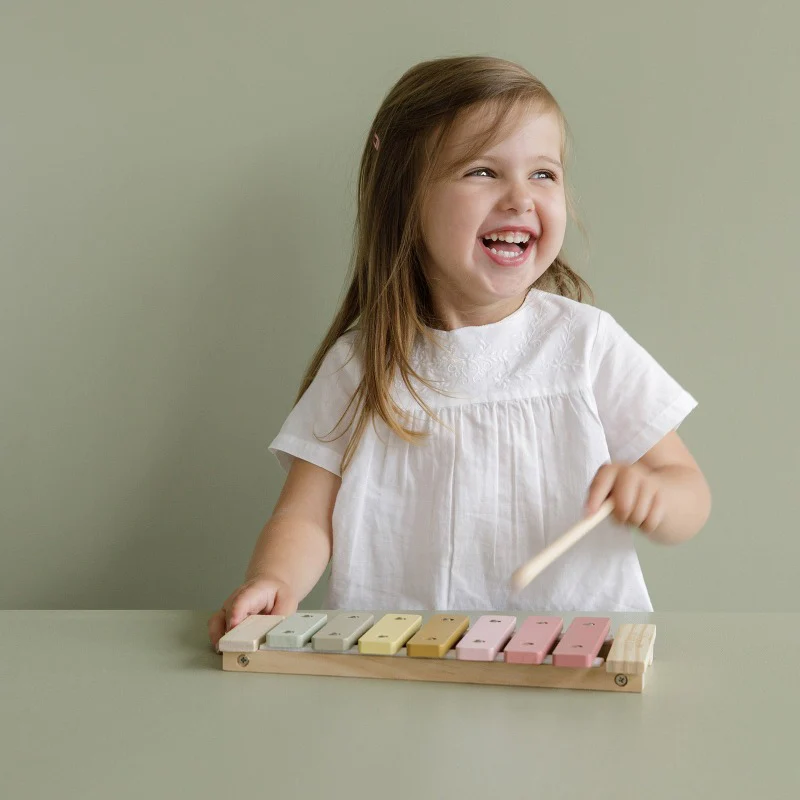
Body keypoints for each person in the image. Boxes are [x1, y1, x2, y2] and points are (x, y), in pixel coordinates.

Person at [208, 55, 711, 651]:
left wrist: (658, 497)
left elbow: (689, 491)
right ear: (406, 198)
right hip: (403, 661)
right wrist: (273, 581)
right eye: (482, 171)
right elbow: (304, 517)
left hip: (571, 658)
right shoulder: (361, 364)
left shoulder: (586, 345)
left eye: (544, 174)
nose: (521, 198)